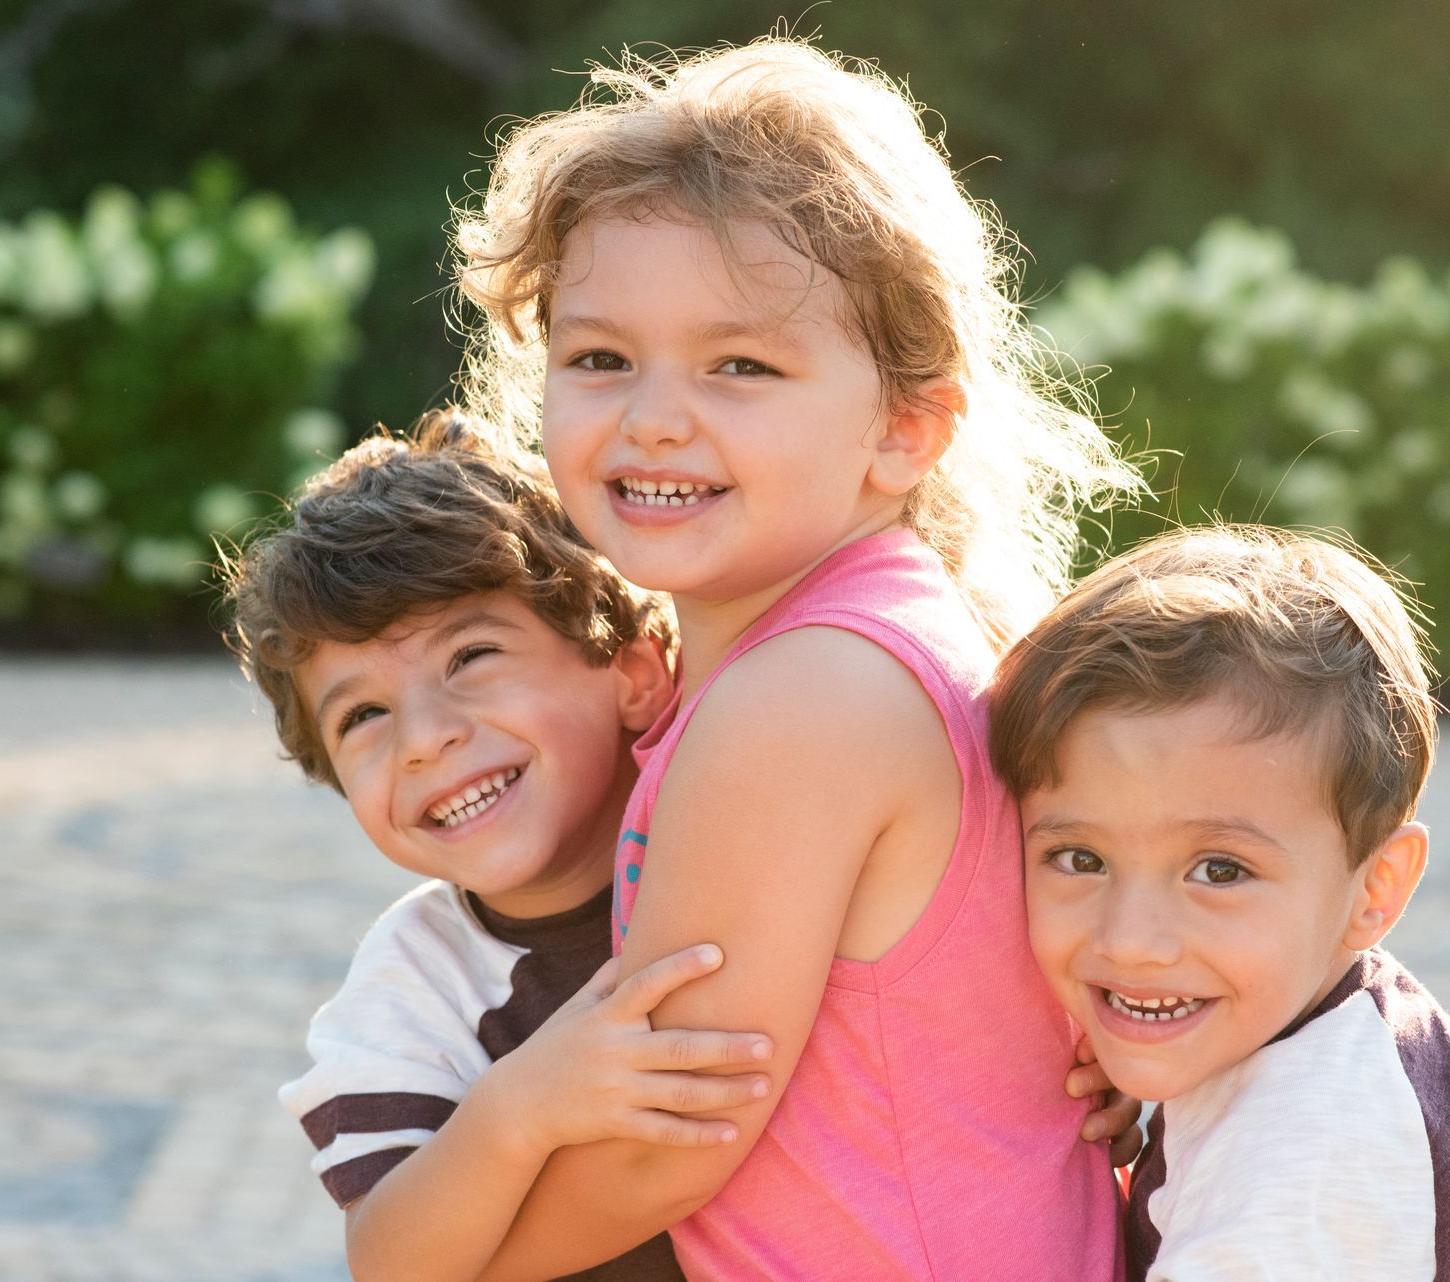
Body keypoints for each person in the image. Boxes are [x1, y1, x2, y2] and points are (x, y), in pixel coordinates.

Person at [413, 36, 1143, 1282]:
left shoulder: (806, 699)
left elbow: (673, 1138)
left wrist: (440, 1258)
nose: (652, 415)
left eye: (740, 364)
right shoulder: (865, 633)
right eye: (600, 357)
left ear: (904, 428)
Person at [989, 524, 1450, 1281]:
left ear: (1375, 889)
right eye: (1080, 859)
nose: (1133, 941)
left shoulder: (1313, 1147)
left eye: (1219, 871)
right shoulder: (1313, 1034)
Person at [222, 410, 780, 1282]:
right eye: (363, 715)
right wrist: (516, 1111)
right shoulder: (418, 983)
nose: (423, 738)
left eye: (471, 656)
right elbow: (388, 1262)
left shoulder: (761, 833)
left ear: (634, 670)